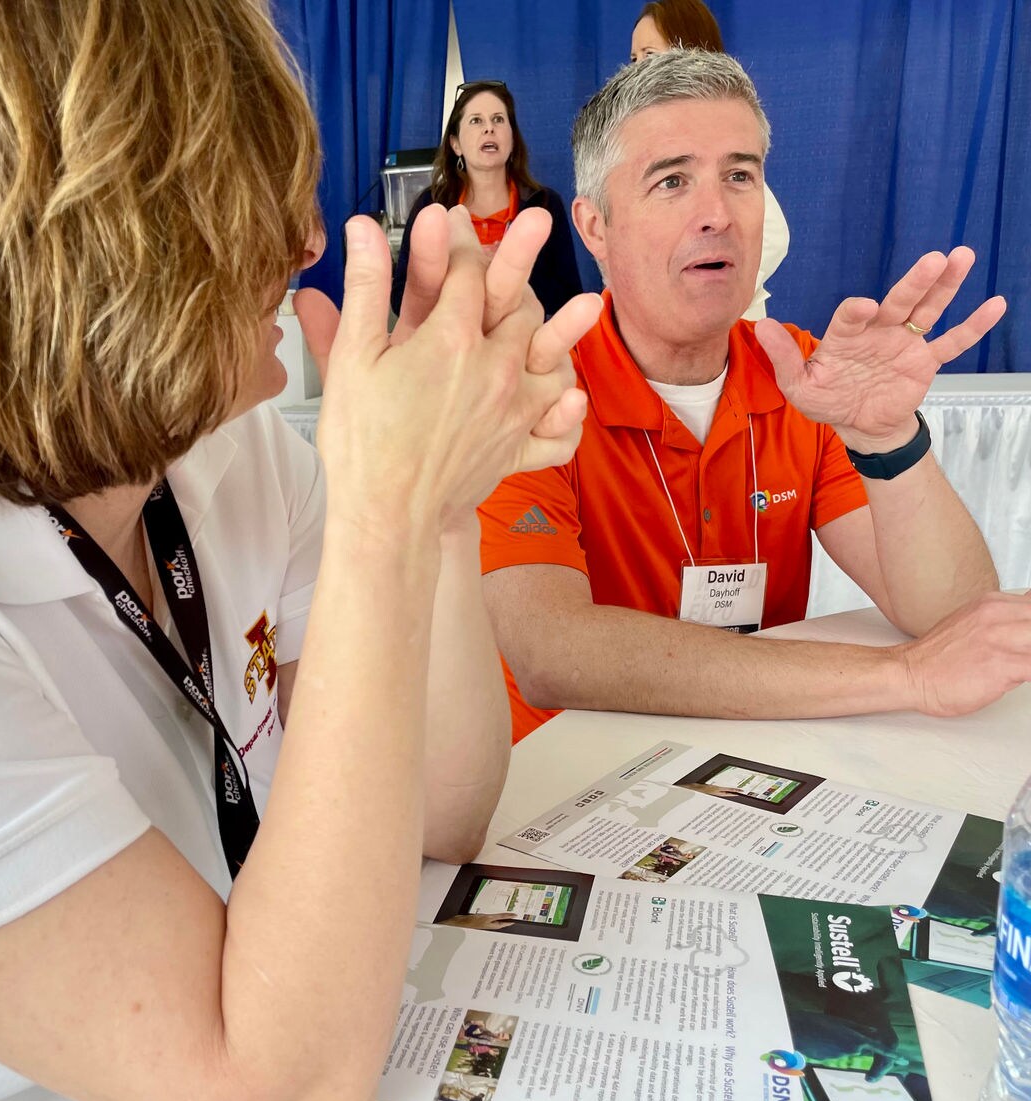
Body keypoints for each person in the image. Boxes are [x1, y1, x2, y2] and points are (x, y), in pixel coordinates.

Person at [0, 3, 601, 1101]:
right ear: (72, 243)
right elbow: (281, 1091)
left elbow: (442, 812)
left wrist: (439, 511)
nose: (306, 241)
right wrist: (379, 516)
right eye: (241, 200)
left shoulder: (220, 453)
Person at [478, 49, 1031, 743]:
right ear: (595, 227)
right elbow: (550, 652)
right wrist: (904, 675)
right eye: (672, 180)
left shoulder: (801, 373)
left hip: (752, 764)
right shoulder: (537, 386)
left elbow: (954, 615)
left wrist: (889, 439)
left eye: (740, 175)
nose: (717, 213)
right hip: (564, 790)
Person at [629, 0, 789, 320]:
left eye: (649, 55)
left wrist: (720, 285)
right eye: (633, 59)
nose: (637, 70)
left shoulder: (720, 131)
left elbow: (774, 235)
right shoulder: (636, 138)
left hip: (726, 324)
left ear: (689, 51)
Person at [392, 80, 584, 319]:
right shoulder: (431, 204)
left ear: (512, 139)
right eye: (476, 120)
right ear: (456, 144)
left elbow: (569, 295)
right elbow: (401, 296)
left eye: (499, 120)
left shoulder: (544, 203)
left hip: (525, 346)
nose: (489, 128)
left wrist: (510, 281)